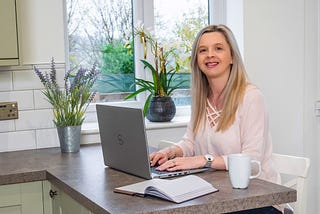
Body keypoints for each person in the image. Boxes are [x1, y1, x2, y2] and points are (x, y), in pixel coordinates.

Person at [149, 25, 282, 214]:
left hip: (258, 200)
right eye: (203, 50)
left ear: (232, 57)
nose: (210, 55)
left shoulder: (251, 96)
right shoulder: (201, 98)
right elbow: (190, 142)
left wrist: (204, 160)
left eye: (218, 48)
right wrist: (171, 152)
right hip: (218, 195)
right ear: (197, 59)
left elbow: (252, 161)